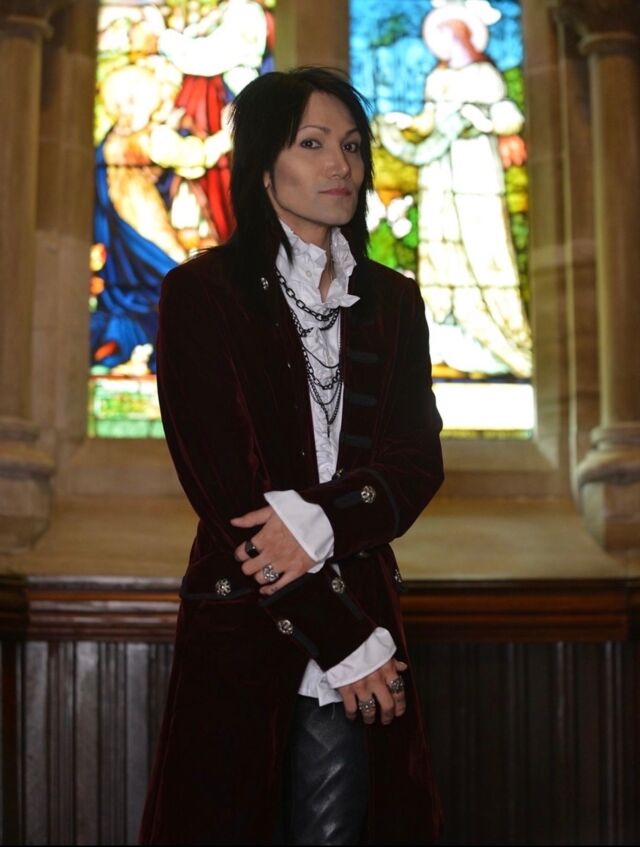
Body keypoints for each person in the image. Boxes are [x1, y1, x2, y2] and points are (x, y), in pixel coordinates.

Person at [138, 66, 444, 846]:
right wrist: (344, 641)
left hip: (366, 618)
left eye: (352, 145)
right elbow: (228, 490)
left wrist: (322, 522)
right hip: (248, 624)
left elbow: (416, 461)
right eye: (312, 143)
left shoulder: (393, 301)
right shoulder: (201, 293)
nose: (341, 164)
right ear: (263, 165)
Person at [376, 0, 531, 379]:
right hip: (438, 174)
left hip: (476, 168)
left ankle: (489, 328)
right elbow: (429, 121)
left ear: (462, 35)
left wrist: (483, 120)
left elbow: (510, 116)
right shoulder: (438, 78)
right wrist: (405, 122)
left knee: (481, 240)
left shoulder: (486, 75)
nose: (440, 43)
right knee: (439, 239)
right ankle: (439, 330)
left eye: (446, 34)